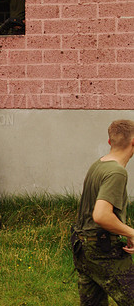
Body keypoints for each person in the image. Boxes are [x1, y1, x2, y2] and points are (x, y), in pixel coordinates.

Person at [71, 119, 134, 305]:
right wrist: (131, 232)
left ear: (109, 142)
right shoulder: (116, 172)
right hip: (101, 251)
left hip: (83, 248)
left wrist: (123, 230)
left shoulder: (98, 164)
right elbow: (100, 215)